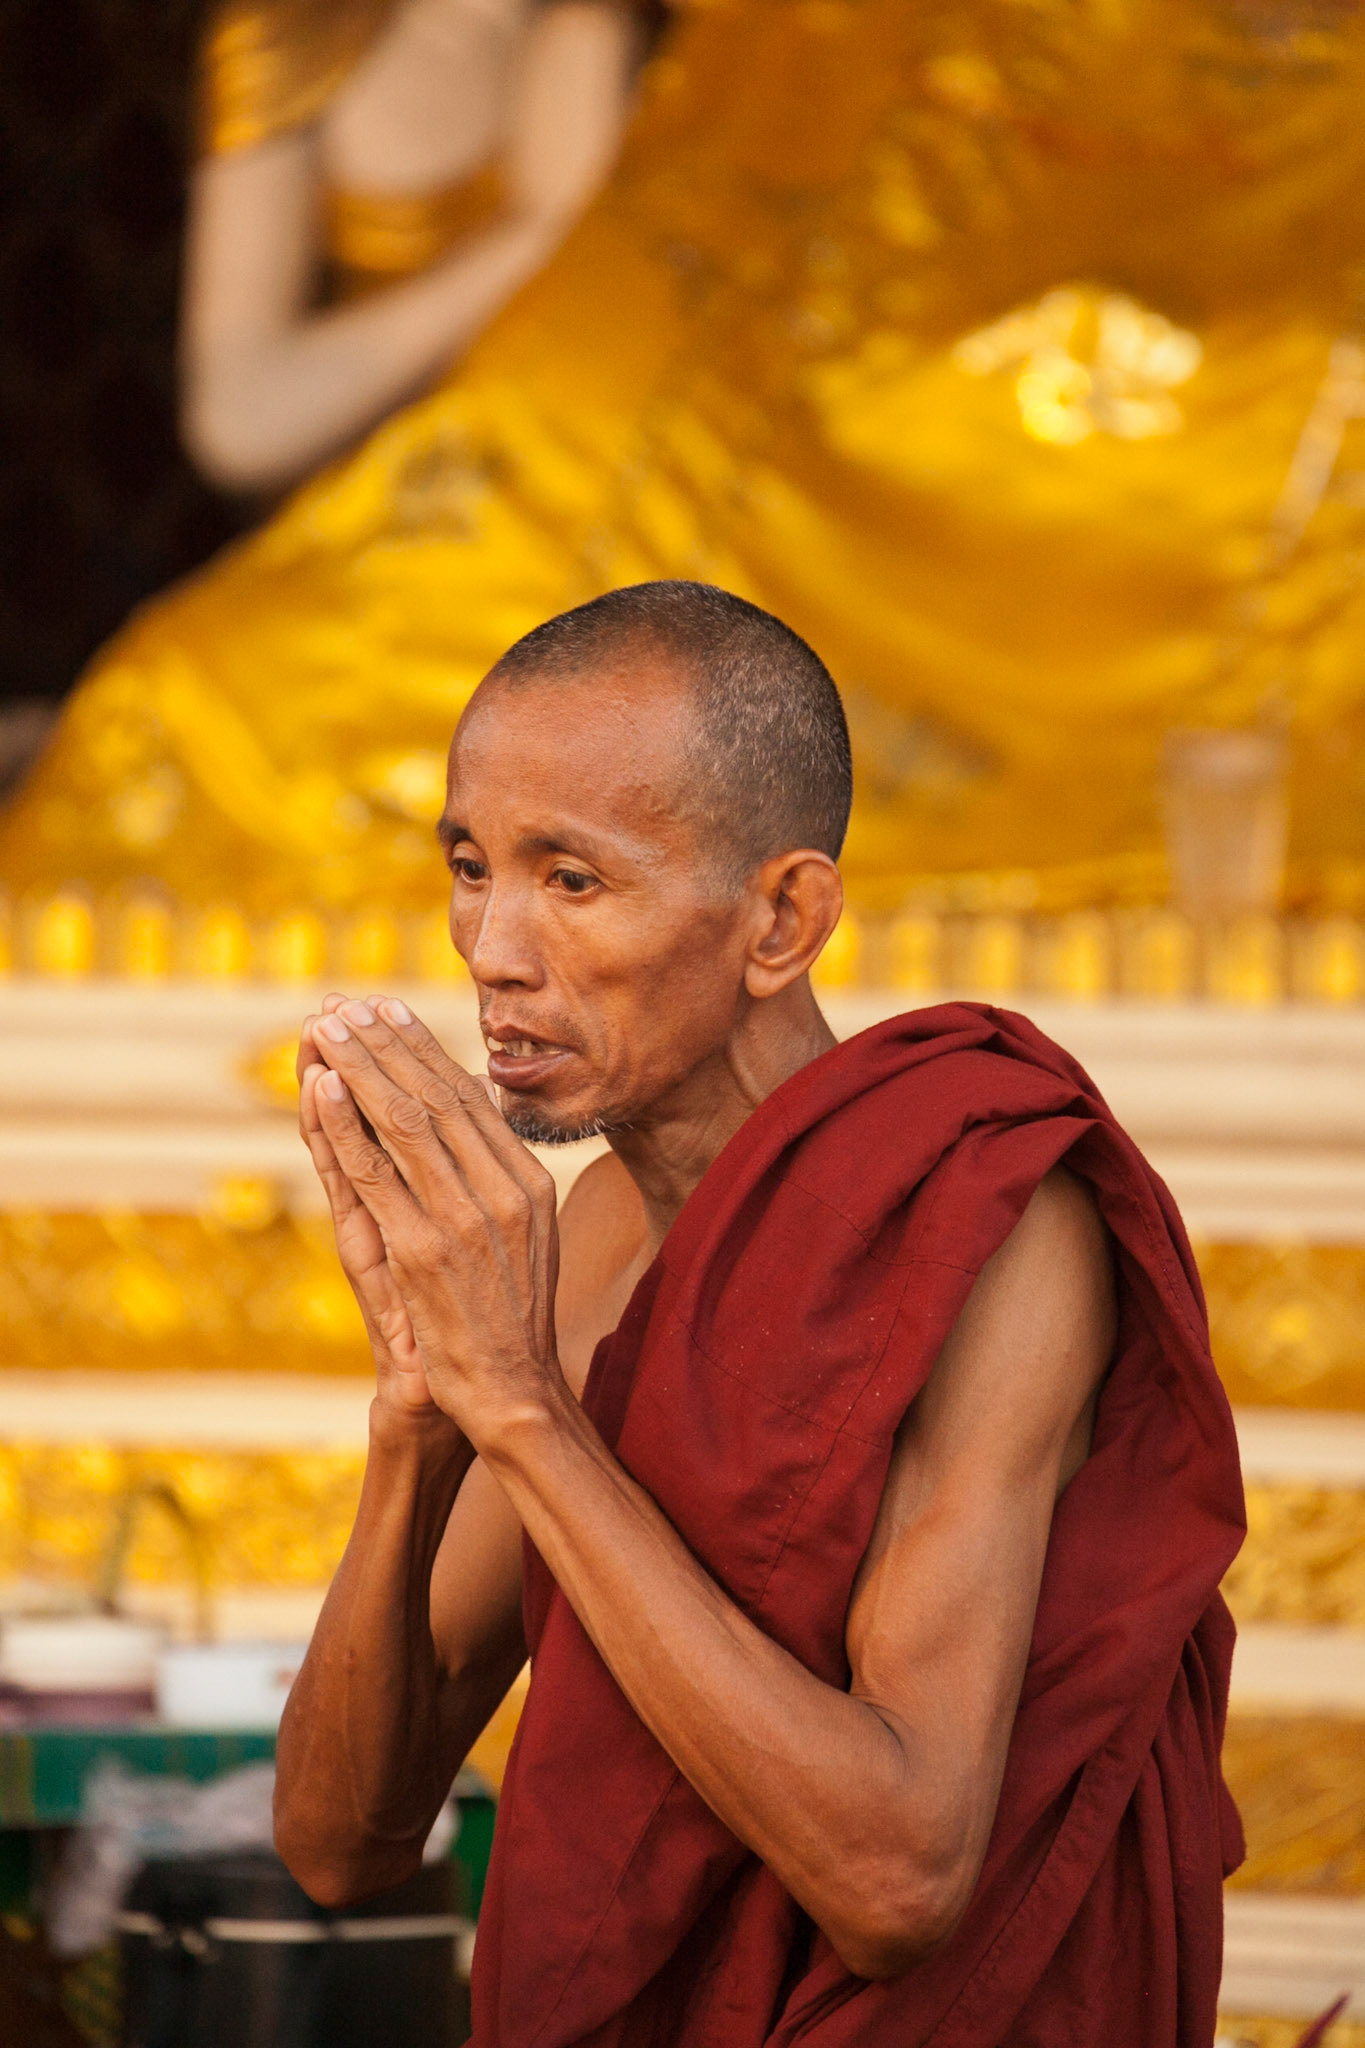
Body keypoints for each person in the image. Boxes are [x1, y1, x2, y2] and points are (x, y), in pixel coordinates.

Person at [274, 581, 1245, 2046]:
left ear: (781, 917)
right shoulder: (591, 1238)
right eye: (472, 867)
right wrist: (421, 1411)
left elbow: (898, 1875)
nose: (490, 949)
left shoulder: (980, 1223)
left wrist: (525, 1411)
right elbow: (340, 1845)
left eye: (573, 881)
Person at [6, 0, 1365, 921]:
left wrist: (565, 247)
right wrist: (535, 245)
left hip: (545, 470)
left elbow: (627, 334)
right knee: (196, 706)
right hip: (379, 503)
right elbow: (237, 416)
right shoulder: (293, 35)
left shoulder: (589, 38)